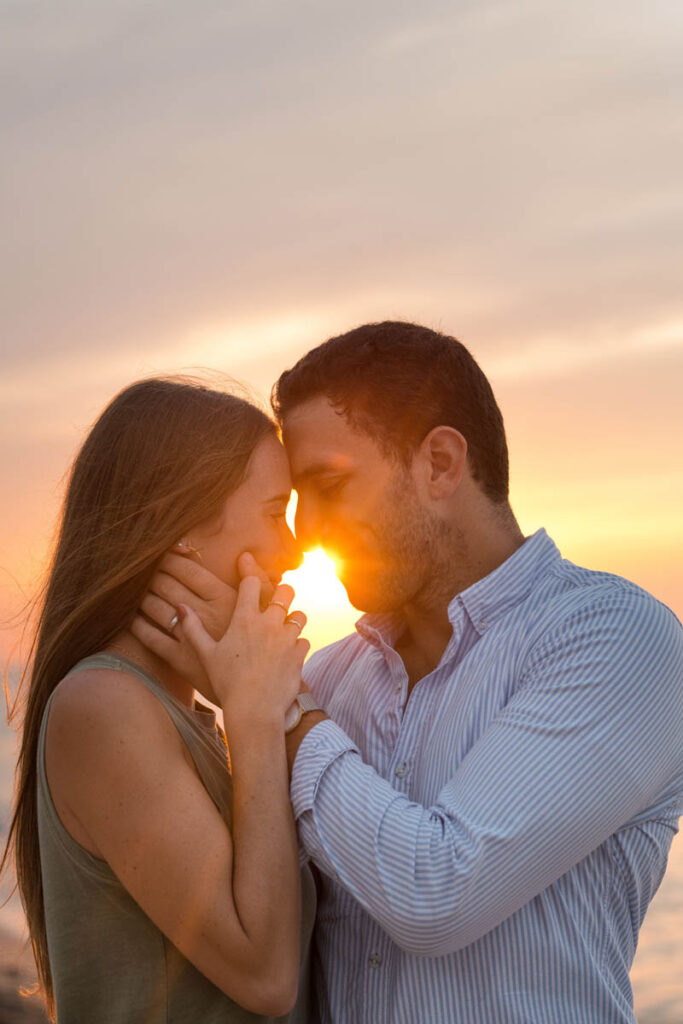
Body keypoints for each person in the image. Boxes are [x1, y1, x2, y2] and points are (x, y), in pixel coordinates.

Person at [143, 322, 683, 1024]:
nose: (304, 534)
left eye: (328, 484)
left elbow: (437, 893)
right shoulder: (323, 680)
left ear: (439, 464)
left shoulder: (616, 639)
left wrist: (276, 707)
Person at [1, 377, 319, 1023]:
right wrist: (254, 713)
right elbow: (266, 979)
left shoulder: (181, 715)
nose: (292, 549)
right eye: (271, 512)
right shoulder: (104, 708)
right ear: (180, 525)